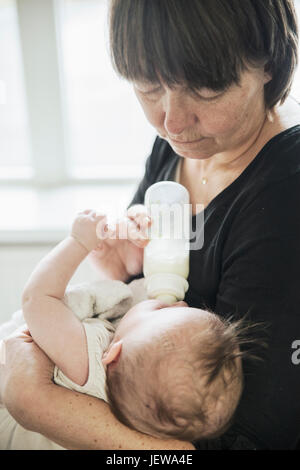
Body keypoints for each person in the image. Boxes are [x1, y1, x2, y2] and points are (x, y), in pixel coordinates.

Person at [0, 0, 299, 450]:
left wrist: (35, 401)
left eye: (205, 90)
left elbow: (248, 443)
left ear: (268, 65)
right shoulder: (184, 145)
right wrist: (122, 269)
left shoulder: (285, 195)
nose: (172, 122)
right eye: (147, 86)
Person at [0, 209, 245, 449]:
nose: (180, 302)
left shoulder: (87, 360)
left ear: (113, 353)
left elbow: (38, 298)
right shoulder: (140, 406)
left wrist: (77, 242)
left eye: (162, 311)